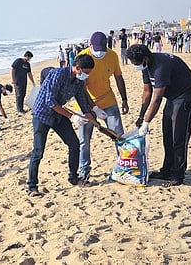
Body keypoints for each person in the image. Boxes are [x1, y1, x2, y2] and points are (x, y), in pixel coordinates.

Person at [126, 44, 191, 187]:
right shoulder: (145, 66)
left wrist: (147, 123)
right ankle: (166, 170)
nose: (136, 66)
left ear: (145, 58)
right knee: (167, 134)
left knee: (178, 137)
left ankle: (177, 175)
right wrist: (141, 117)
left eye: (136, 63)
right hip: (173, 97)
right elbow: (147, 92)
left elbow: (157, 98)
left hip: (186, 96)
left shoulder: (161, 66)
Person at [27, 55, 99, 197]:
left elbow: (84, 104)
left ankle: (73, 177)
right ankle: (32, 186)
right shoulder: (58, 74)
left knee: (74, 144)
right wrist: (72, 117)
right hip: (42, 115)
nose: (87, 75)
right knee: (38, 151)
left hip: (59, 115)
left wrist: (96, 119)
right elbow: (50, 102)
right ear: (77, 68)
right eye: (86, 72)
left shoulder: (78, 82)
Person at [75, 31, 129, 182]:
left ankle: (124, 166)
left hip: (108, 101)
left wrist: (124, 99)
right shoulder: (83, 56)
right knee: (84, 140)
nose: (99, 53)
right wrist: (93, 108)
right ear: (90, 45)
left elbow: (118, 77)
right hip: (85, 104)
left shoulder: (112, 56)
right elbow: (80, 88)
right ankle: (84, 170)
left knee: (118, 135)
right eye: (96, 49)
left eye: (102, 49)